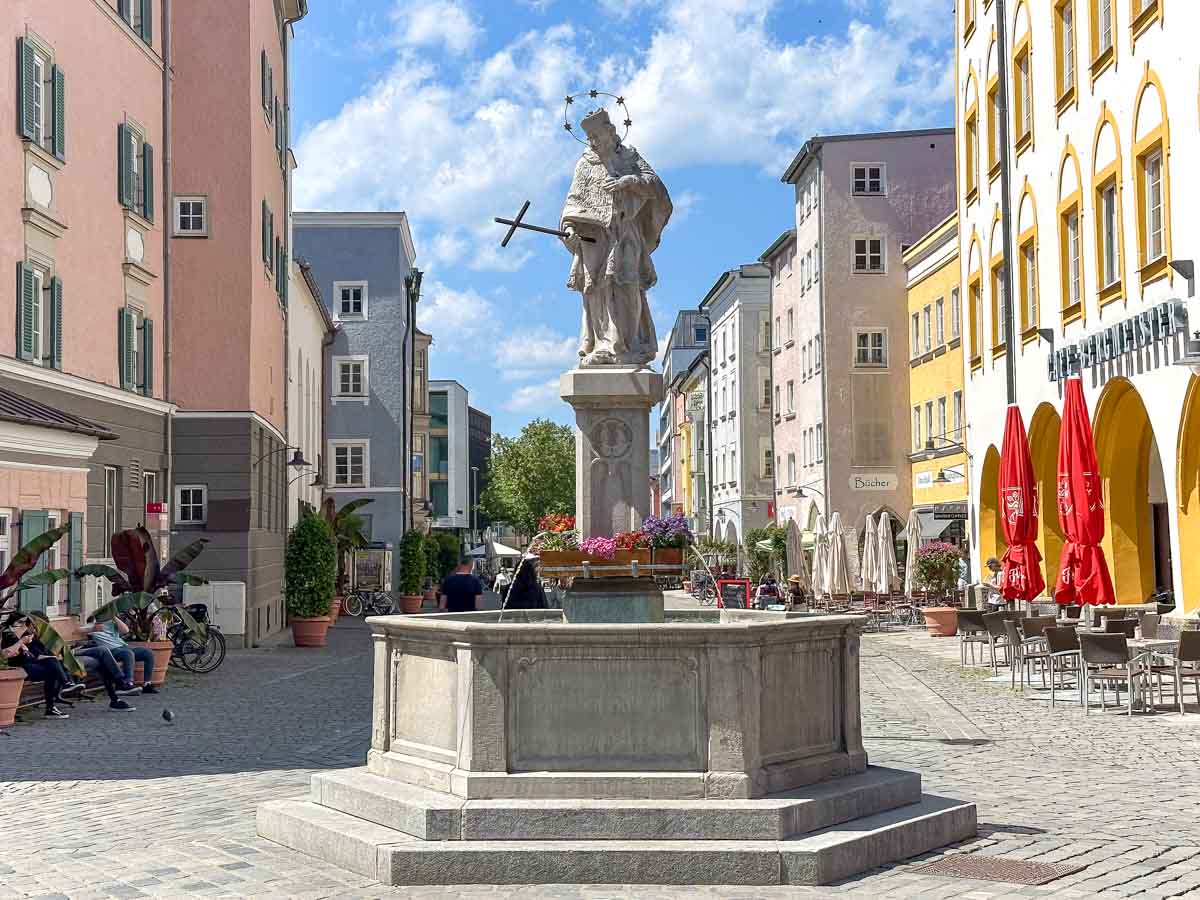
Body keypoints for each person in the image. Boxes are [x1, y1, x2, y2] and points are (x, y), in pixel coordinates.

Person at [1, 617, 82, 718]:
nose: (34, 629)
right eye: (32, 626)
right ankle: (58, 696)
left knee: (53, 664)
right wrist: (21, 642)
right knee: (52, 670)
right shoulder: (10, 636)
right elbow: (7, 654)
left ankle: (64, 687)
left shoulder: (32, 637)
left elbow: (37, 655)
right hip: (21, 667)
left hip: (31, 663)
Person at [76, 617, 159, 695]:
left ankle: (147, 684)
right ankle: (126, 683)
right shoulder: (92, 626)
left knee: (148, 653)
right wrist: (92, 628)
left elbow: (125, 630)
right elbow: (77, 631)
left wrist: (114, 617)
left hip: (124, 647)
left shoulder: (111, 623)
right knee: (128, 654)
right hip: (111, 651)